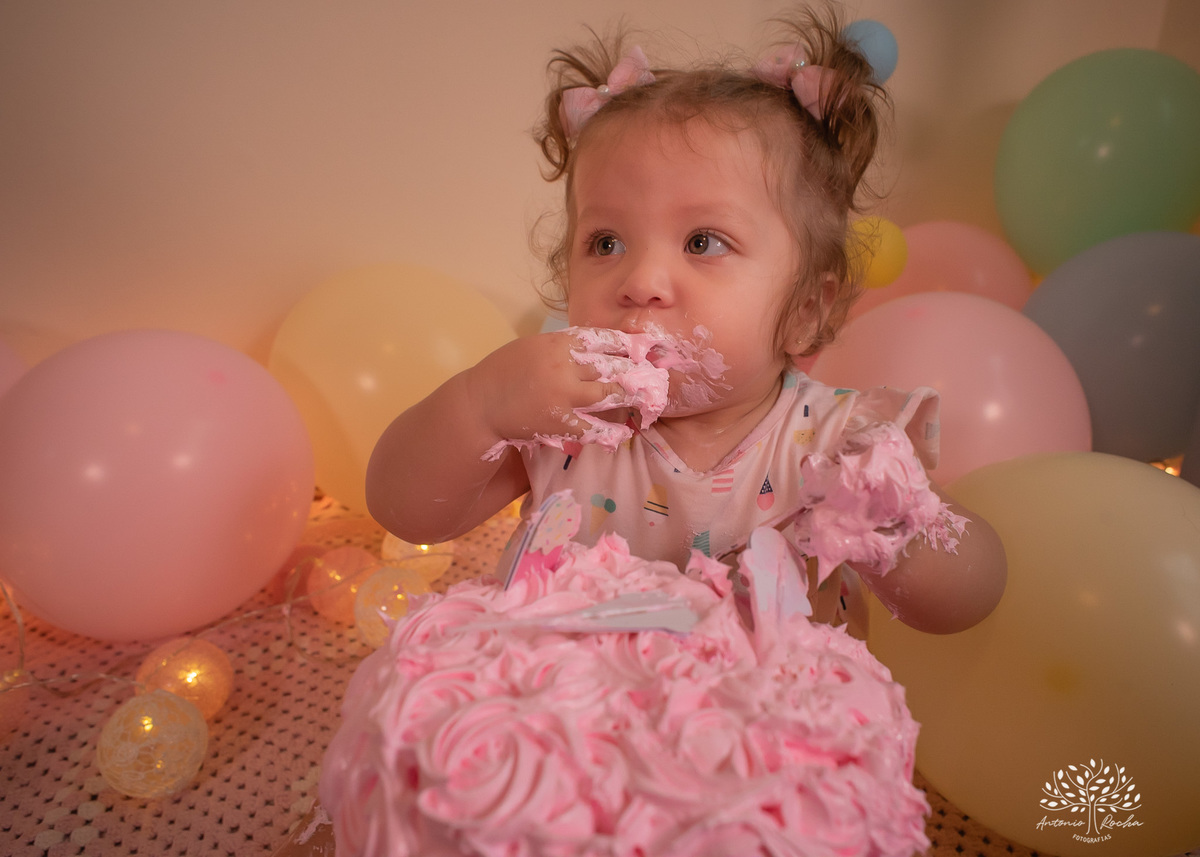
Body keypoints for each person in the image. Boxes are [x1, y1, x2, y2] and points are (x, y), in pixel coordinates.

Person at [366, 7, 1006, 635]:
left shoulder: (837, 443)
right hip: (564, 723)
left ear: (805, 310)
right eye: (607, 243)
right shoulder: (562, 421)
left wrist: (891, 518)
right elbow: (407, 512)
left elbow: (965, 599)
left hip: (765, 730)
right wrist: (482, 405)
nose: (640, 282)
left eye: (703, 242)